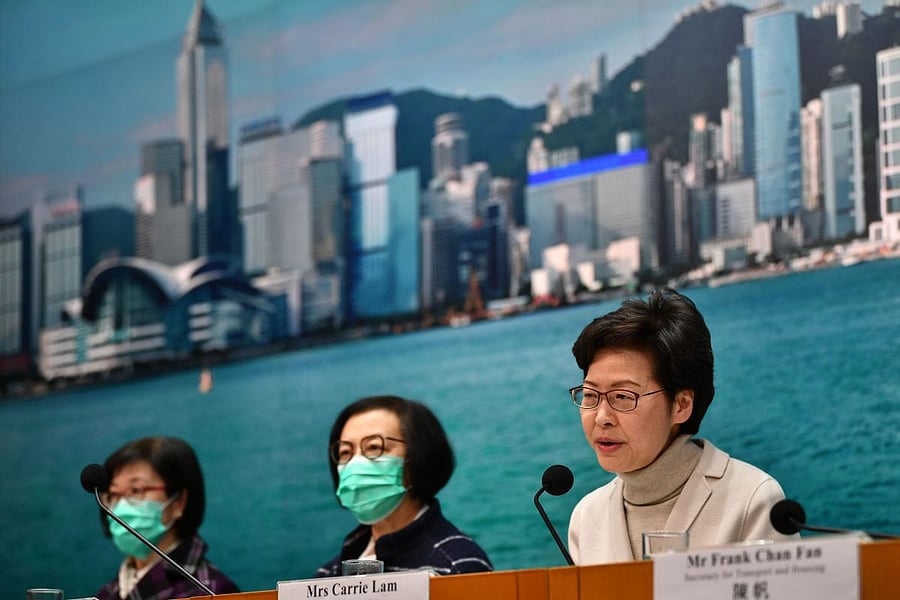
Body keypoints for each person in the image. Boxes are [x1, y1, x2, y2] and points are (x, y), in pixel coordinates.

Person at [567, 289, 797, 565]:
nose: (601, 417)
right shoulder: (586, 517)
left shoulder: (753, 499)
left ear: (681, 404)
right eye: (591, 395)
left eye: (623, 397)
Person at [316, 395, 493, 576]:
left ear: (419, 455)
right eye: (345, 452)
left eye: (374, 447)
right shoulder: (329, 574)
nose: (355, 463)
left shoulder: (457, 566)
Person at [94, 436, 239, 599]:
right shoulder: (107, 593)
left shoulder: (210, 590)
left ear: (179, 502)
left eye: (136, 490)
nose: (121, 506)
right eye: (114, 494)